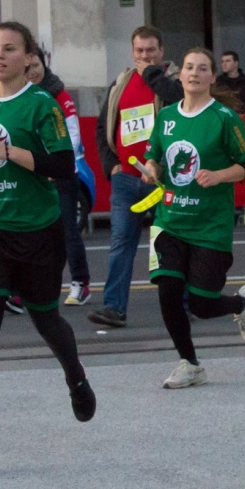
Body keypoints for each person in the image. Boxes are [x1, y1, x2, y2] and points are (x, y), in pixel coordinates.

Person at [0, 22, 97, 468]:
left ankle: (76, 377)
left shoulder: (40, 106)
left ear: (28, 57)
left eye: (10, 49)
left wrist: (10, 154)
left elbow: (63, 166)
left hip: (38, 232)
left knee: (46, 319)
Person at [141, 48, 245, 388]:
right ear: (180, 75)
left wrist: (219, 175)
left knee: (202, 303)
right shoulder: (166, 117)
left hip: (210, 224)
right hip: (170, 219)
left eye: (202, 69)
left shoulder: (224, 118)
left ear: (212, 77)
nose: (194, 73)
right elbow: (154, 155)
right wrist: (151, 168)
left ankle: (241, 302)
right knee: (167, 289)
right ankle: (189, 363)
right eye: (189, 67)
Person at [89, 26, 183, 328]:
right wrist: (111, 166)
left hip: (161, 180)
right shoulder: (121, 82)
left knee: (171, 243)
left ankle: (184, 303)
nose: (145, 56)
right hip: (126, 180)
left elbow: (178, 101)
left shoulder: (174, 80)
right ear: (132, 51)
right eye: (140, 51)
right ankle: (114, 307)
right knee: (120, 243)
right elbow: (103, 127)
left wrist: (152, 74)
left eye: (151, 50)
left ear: (161, 51)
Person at [23, 50, 91, 307]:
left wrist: (54, 162)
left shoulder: (59, 95)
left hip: (61, 175)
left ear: (44, 64)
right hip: (32, 176)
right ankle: (23, 289)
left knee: (67, 231)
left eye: (37, 65)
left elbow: (72, 136)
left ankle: (80, 283)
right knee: (28, 232)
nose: (33, 72)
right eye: (28, 68)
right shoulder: (23, 97)